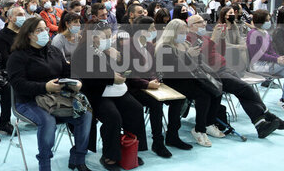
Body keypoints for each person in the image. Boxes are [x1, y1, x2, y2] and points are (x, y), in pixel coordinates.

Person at [7, 17, 92, 171]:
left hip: (57, 98)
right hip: (28, 101)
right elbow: (18, 85)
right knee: (47, 121)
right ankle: (44, 165)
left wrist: (76, 81)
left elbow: (69, 71)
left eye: (45, 29)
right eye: (39, 30)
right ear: (29, 35)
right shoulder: (17, 56)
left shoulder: (54, 51)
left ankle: (78, 158)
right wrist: (45, 87)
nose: (45, 32)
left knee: (85, 114)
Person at [188, 14, 282, 137]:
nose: (204, 24)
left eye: (203, 21)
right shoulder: (189, 39)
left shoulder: (204, 36)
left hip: (224, 68)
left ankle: (261, 123)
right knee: (245, 88)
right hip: (213, 73)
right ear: (190, 26)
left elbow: (219, 52)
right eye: (199, 22)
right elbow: (202, 58)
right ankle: (266, 117)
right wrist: (214, 38)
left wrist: (221, 39)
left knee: (244, 92)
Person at [72, 22, 146, 169]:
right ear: (93, 38)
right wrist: (111, 78)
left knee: (135, 108)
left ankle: (128, 147)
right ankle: (110, 155)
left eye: (109, 36)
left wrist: (118, 58)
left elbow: (126, 68)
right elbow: (88, 79)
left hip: (116, 90)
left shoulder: (109, 49)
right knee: (113, 116)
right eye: (104, 37)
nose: (108, 39)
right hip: (96, 94)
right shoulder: (82, 52)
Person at [127, 16, 191, 157]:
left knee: (178, 99)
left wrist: (154, 80)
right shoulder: (128, 46)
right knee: (156, 104)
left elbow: (153, 69)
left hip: (150, 83)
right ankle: (158, 142)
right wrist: (146, 84)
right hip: (135, 88)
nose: (155, 30)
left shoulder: (150, 45)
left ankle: (172, 136)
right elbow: (129, 74)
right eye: (152, 28)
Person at [156, 19, 222, 147]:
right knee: (202, 95)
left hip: (188, 77)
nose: (184, 35)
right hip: (172, 80)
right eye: (181, 32)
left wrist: (195, 55)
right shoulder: (164, 46)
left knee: (214, 90)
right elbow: (173, 69)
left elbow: (194, 64)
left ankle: (204, 125)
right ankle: (196, 130)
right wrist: (187, 55)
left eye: (185, 32)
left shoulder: (185, 43)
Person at [247, 9, 284, 109]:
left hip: (268, 62)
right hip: (258, 65)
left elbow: (271, 51)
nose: (269, 22)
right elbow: (258, 55)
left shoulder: (266, 33)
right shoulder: (253, 34)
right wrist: (276, 60)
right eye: (267, 20)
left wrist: (279, 57)